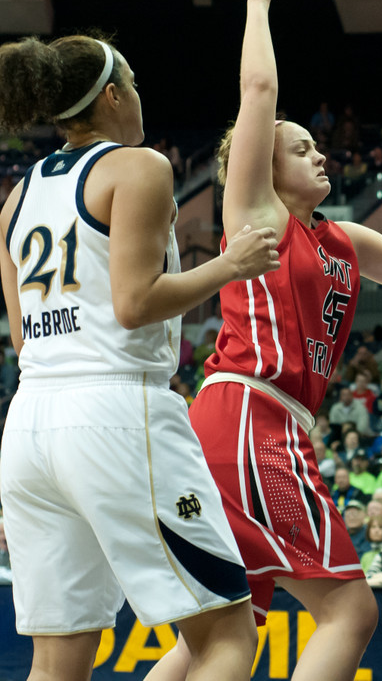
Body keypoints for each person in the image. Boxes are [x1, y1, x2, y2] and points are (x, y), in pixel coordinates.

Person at [152, 0, 382, 681]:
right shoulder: (256, 208)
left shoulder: (346, 238)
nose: (321, 154)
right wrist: (259, 3)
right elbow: (258, 95)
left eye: (319, 145)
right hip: (249, 415)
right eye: (303, 148)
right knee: (350, 611)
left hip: (253, 423)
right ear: (265, 165)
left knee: (221, 636)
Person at [0, 33, 282, 680]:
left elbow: (23, 339)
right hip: (116, 411)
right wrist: (229, 265)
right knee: (225, 633)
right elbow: (133, 303)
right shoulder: (140, 167)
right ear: (113, 94)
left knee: (58, 656)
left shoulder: (17, 197)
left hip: (31, 422)